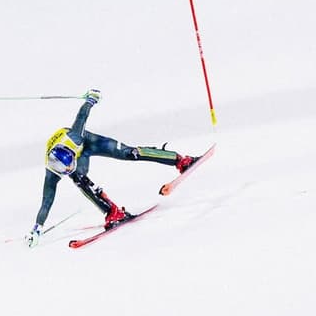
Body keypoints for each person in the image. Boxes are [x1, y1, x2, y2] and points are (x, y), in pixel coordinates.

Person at [24, 88, 198, 247]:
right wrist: (37, 228)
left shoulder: (74, 138)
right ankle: (112, 212)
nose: (69, 169)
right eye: (66, 169)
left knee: (130, 153)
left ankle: (179, 160)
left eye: (70, 165)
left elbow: (82, 115)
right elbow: (47, 201)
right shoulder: (52, 172)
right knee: (79, 179)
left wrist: (91, 99)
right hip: (79, 157)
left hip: (89, 142)